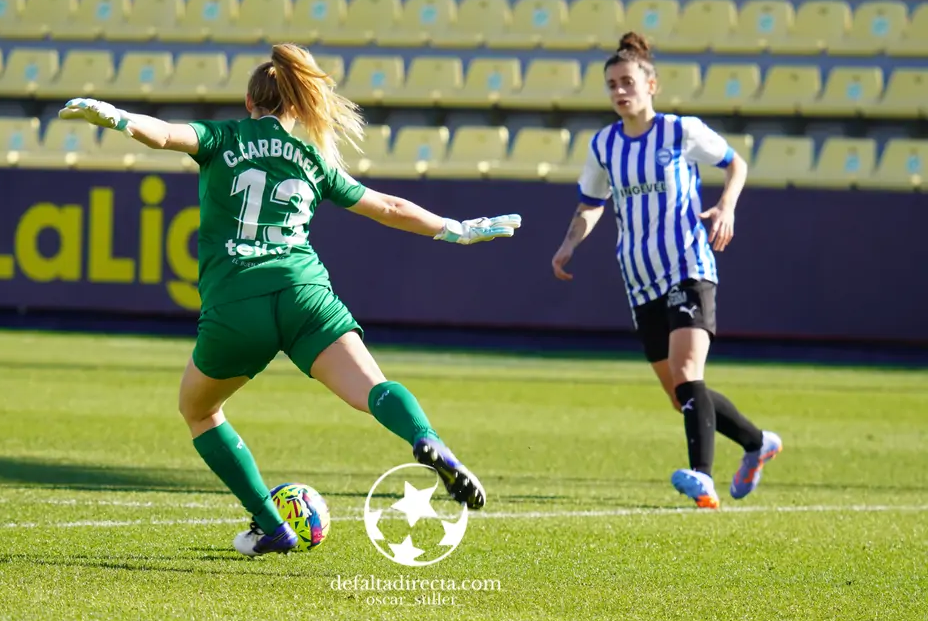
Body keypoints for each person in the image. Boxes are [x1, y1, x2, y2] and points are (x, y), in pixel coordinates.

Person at [59, 43, 521, 556]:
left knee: (199, 410)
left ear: (250, 102)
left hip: (237, 303)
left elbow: (165, 134)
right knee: (374, 389)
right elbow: (387, 206)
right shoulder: (312, 157)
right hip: (305, 293)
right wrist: (455, 229)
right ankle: (425, 438)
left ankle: (270, 523)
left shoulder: (223, 136)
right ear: (297, 106)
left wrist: (119, 118)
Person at [549, 32, 781, 510]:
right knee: (682, 395)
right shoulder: (604, 146)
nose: (620, 91)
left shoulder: (680, 132)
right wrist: (569, 243)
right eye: (612, 84)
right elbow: (591, 203)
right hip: (639, 279)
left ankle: (702, 479)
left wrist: (726, 206)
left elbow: (735, 164)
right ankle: (757, 443)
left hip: (687, 266)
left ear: (651, 85)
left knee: (688, 370)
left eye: (628, 81)